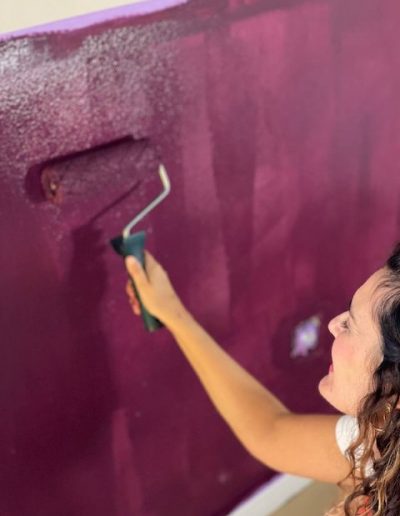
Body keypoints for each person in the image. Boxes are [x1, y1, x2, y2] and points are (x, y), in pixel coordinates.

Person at [123, 241, 400, 515]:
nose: (332, 325)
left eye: (350, 325)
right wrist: (173, 313)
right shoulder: (382, 439)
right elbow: (269, 431)